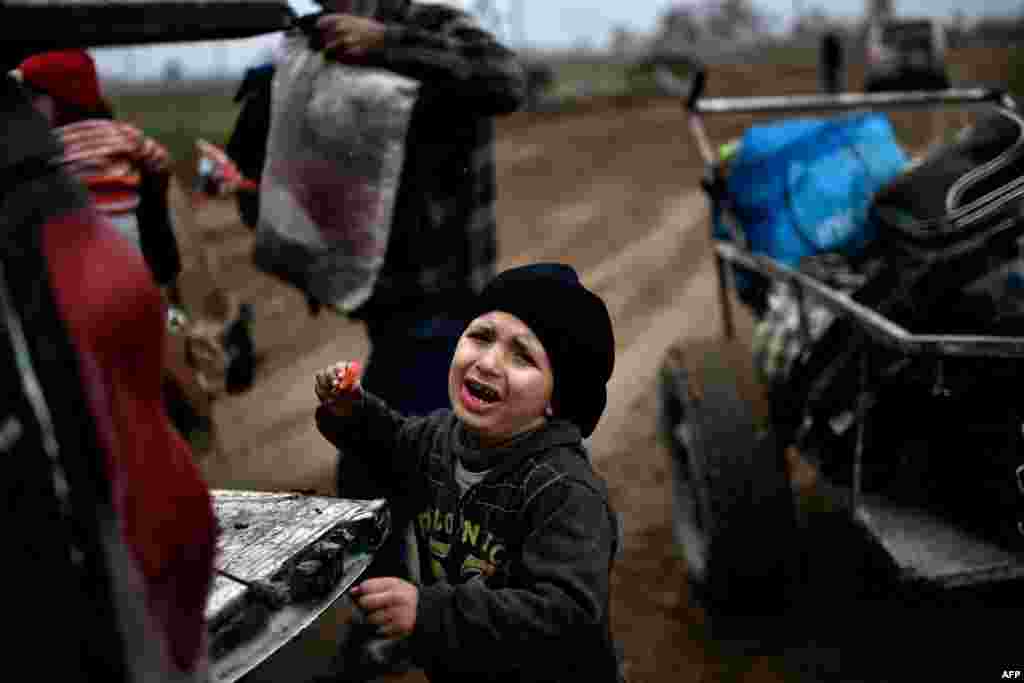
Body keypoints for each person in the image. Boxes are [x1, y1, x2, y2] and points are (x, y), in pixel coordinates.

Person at [1, 48, 217, 681]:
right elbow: (158, 231)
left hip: (75, 320)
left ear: (48, 103)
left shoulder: (48, 165)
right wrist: (167, 282)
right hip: (134, 299)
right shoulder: (132, 143)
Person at [313, 262, 623, 683]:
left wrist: (431, 612)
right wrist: (352, 410)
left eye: (522, 356)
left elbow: (566, 616)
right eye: (480, 336)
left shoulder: (564, 492)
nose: (488, 362)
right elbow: (391, 444)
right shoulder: (440, 437)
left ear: (557, 399)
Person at [14, 48, 184, 309]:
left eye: (33, 99)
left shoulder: (50, 145)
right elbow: (161, 161)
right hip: (128, 247)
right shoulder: (123, 134)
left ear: (58, 101)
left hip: (75, 253)